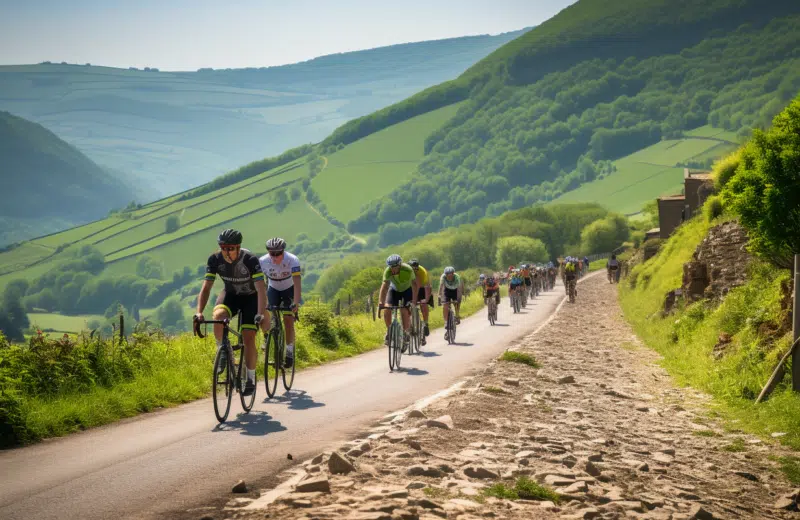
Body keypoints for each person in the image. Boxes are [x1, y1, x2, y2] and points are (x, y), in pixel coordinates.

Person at [195, 229, 267, 397]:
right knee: (218, 317)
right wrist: (199, 312)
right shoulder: (215, 260)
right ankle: (222, 350)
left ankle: (250, 378)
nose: (227, 252)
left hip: (251, 297)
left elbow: (261, 290)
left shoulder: (250, 259)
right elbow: (206, 288)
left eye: (231, 248)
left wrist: (260, 313)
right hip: (231, 295)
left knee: (248, 336)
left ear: (238, 247)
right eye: (223, 248)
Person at [260, 237, 302, 368]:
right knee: (266, 312)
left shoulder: (292, 260)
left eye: (278, 253)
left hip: (289, 289)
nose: (275, 257)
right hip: (273, 288)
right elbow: (259, 285)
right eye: (272, 253)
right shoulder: (262, 261)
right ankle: (267, 337)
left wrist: (295, 302)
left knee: (288, 320)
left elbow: (297, 282)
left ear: (283, 252)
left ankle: (289, 351)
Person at [378, 254, 419, 352]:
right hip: (394, 290)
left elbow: (414, 284)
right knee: (387, 309)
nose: (393, 269)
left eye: (395, 267)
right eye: (391, 267)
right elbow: (384, 287)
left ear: (400, 265)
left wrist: (414, 300)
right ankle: (389, 331)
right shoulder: (387, 271)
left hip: (407, 290)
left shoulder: (408, 270)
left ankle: (405, 334)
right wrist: (380, 302)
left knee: (404, 310)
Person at [408, 258, 432, 345]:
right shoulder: (406, 271)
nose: (414, 270)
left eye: (416, 269)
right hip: (410, 288)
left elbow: (427, 287)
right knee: (407, 306)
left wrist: (426, 300)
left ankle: (425, 324)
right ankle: (409, 326)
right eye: (412, 269)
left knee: (423, 305)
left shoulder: (421, 272)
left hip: (423, 288)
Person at [438, 266, 463, 340]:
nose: (449, 277)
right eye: (448, 276)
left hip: (455, 290)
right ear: (445, 275)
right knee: (445, 305)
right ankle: (446, 321)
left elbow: (459, 289)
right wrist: (439, 296)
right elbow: (441, 286)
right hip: (447, 290)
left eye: (451, 275)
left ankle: (457, 315)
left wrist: (458, 299)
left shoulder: (457, 277)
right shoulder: (443, 277)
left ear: (453, 274)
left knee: (457, 303)